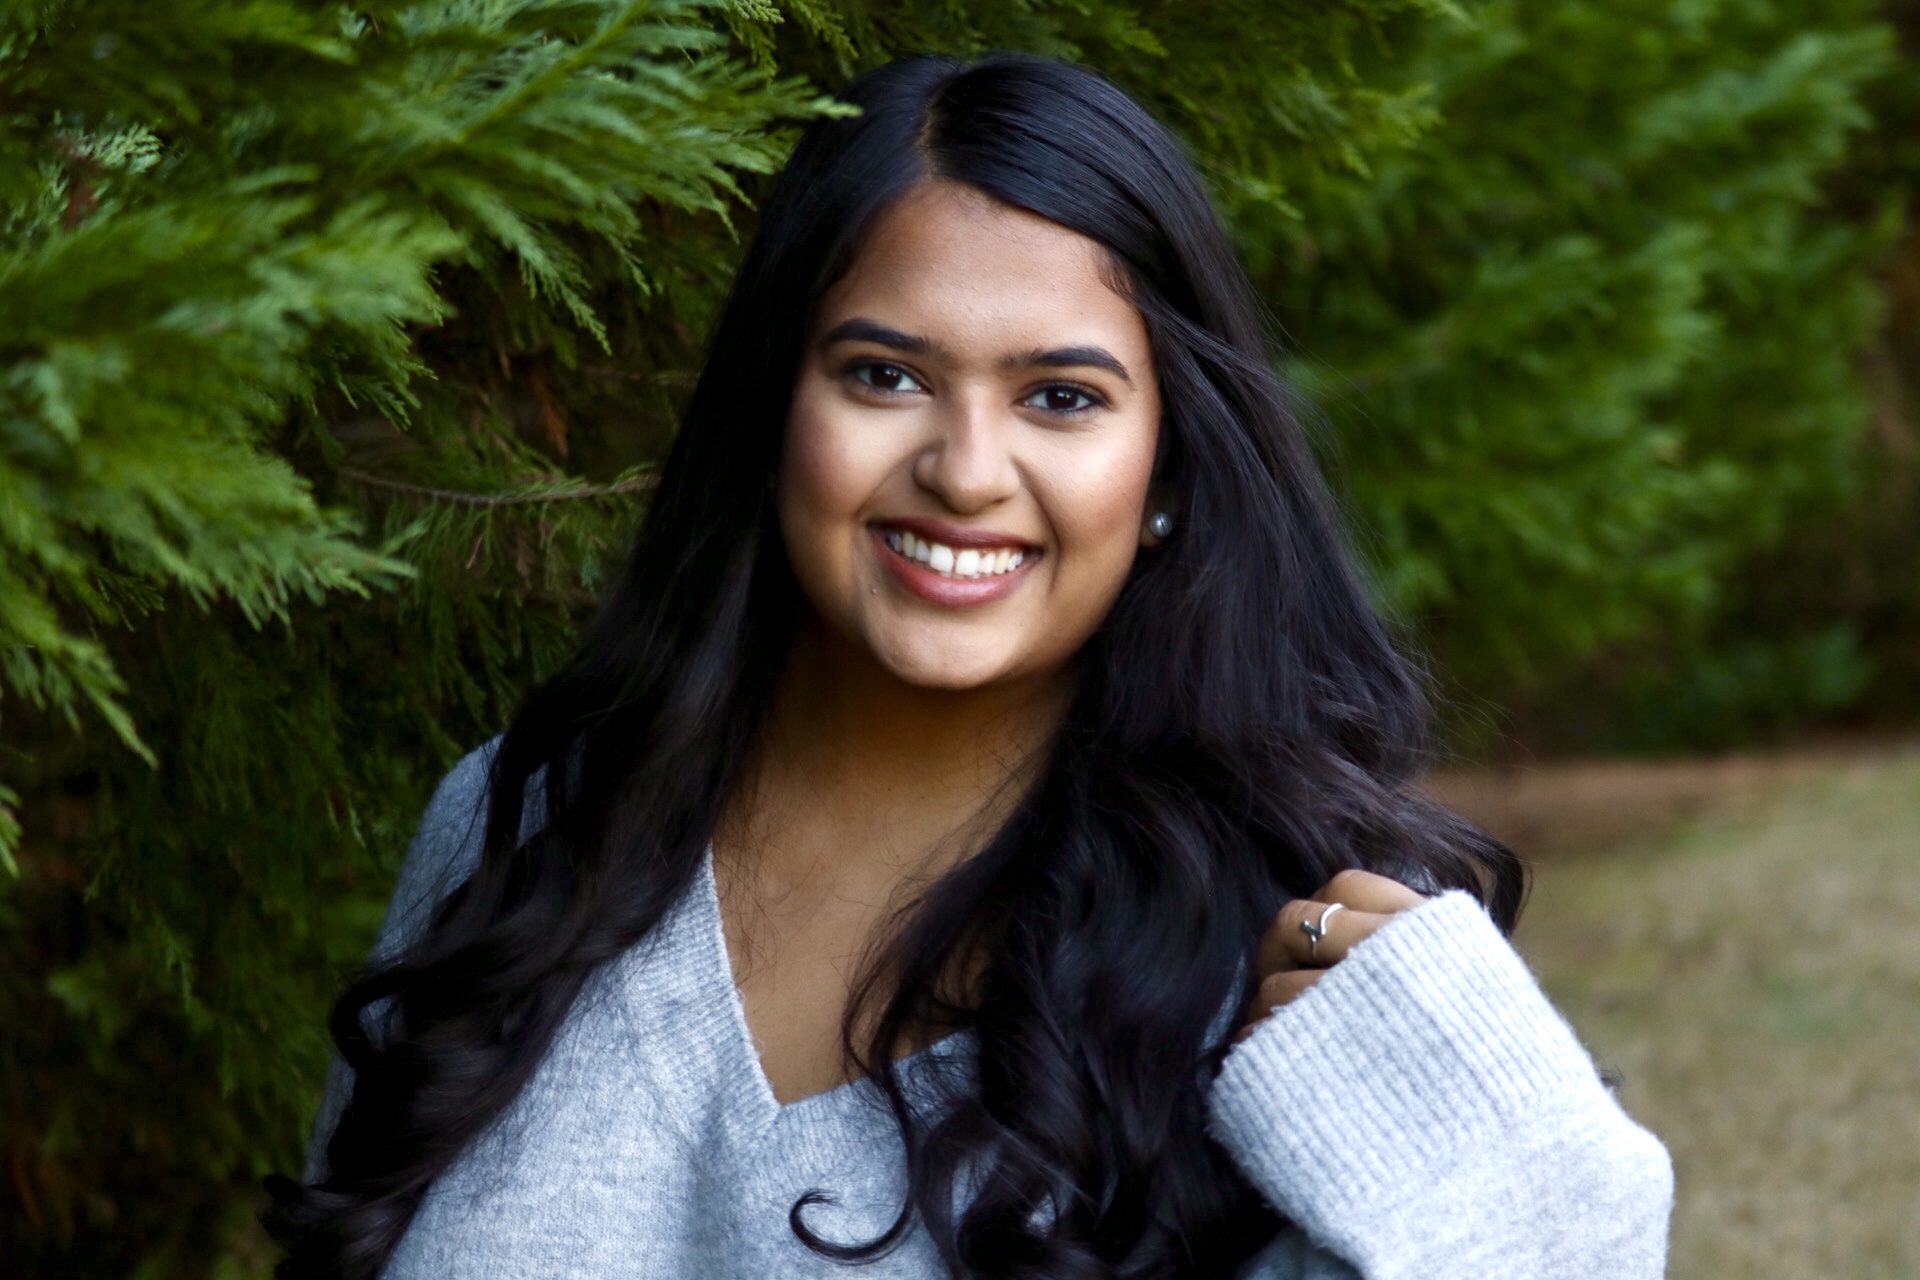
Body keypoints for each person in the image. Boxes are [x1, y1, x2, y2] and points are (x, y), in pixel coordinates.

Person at [264, 50, 1673, 1279]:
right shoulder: (524, 834)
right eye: (884, 375)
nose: (964, 470)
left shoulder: (1274, 950)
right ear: (775, 404)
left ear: (1167, 463)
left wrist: (1507, 1123)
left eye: (1062, 398)